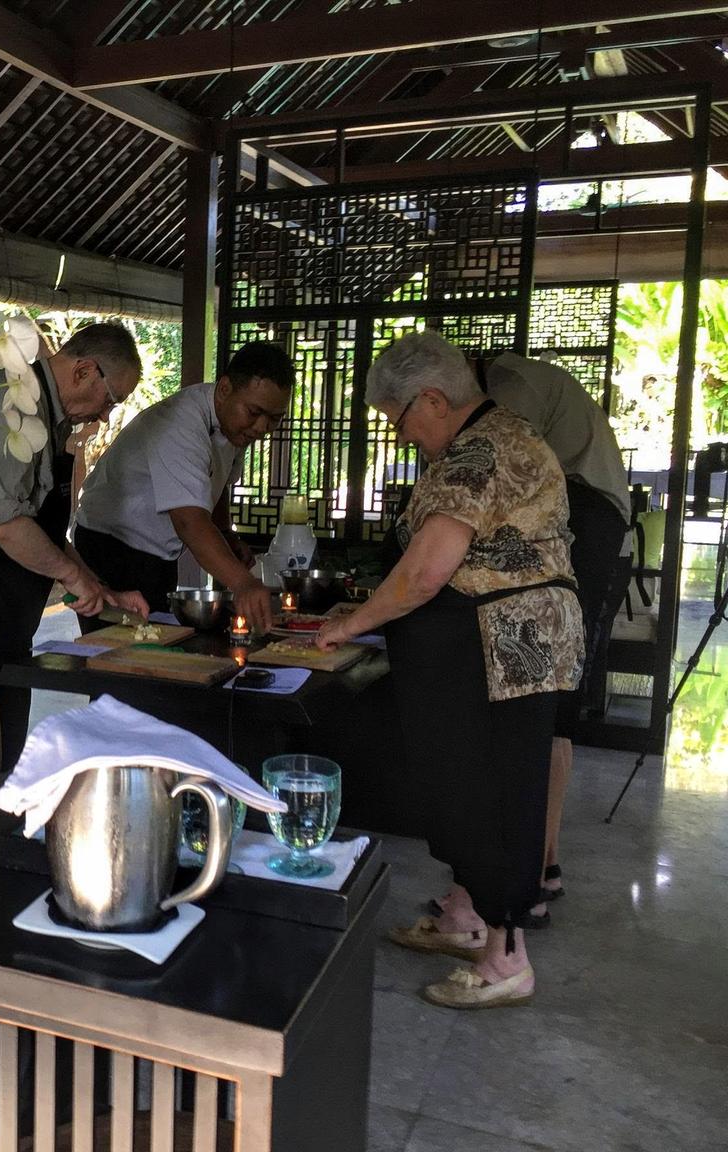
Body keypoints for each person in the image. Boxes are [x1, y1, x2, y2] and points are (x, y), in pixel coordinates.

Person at [317, 331, 583, 1010]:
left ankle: (506, 959)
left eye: (400, 420)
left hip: (501, 648)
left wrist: (351, 623)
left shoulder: (479, 452)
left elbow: (429, 570)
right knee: (463, 782)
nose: (403, 435)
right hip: (501, 644)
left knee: (493, 791)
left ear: (432, 399)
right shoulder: (499, 434)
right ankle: (468, 919)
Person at [0, 322, 149, 767]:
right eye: (110, 400)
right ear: (84, 372)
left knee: (3, 721)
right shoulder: (9, 400)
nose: (104, 417)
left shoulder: (46, 415)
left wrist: (99, 589)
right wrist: (72, 575)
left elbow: (43, 528)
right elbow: (4, 523)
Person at [474, 351, 631, 918]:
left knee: (542, 696)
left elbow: (506, 467)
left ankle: (532, 872)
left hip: (589, 516)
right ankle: (543, 865)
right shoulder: (522, 379)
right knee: (547, 699)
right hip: (587, 514)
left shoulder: (509, 386)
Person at [73, 341, 295, 634]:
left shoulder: (234, 425)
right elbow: (190, 523)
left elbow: (218, 483)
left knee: (157, 643)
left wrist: (226, 534)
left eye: (274, 418)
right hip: (110, 547)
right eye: (254, 412)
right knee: (120, 654)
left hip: (158, 554)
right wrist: (243, 583)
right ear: (225, 388)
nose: (262, 427)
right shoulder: (181, 424)